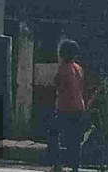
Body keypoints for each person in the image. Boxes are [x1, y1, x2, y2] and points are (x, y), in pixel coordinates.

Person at [48, 39, 87, 172]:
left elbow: (59, 86)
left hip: (65, 107)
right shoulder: (79, 68)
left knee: (53, 134)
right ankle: (75, 166)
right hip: (79, 106)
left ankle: (57, 164)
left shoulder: (63, 69)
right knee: (74, 139)